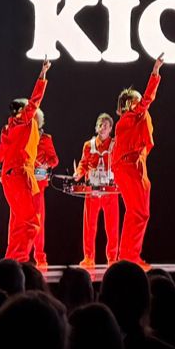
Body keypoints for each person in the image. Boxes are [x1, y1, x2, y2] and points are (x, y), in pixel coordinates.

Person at [0, 59, 51, 263]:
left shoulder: (8, 128)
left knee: (18, 222)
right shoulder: (25, 120)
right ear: (22, 111)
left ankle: (11, 261)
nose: (31, 113)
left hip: (10, 176)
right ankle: (21, 261)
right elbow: (35, 101)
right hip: (20, 174)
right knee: (31, 222)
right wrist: (42, 75)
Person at [109, 54, 164, 267]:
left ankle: (128, 256)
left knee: (138, 211)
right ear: (131, 103)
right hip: (130, 164)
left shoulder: (130, 119)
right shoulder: (132, 116)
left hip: (133, 164)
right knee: (139, 212)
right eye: (138, 100)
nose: (142, 102)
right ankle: (129, 257)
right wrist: (155, 71)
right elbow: (149, 98)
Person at [74, 113, 119, 267]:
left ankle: (112, 258)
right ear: (96, 127)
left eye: (106, 125)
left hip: (109, 191)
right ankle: (88, 257)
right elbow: (83, 163)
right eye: (100, 125)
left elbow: (119, 164)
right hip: (92, 191)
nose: (102, 128)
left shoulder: (115, 144)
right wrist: (77, 174)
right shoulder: (89, 145)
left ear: (111, 128)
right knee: (89, 226)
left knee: (112, 226)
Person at [32, 114, 59, 269]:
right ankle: (17, 256)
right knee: (18, 221)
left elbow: (55, 159)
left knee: (38, 221)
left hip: (39, 183)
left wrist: (45, 164)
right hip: (23, 183)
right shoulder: (23, 136)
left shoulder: (46, 139)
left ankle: (40, 256)